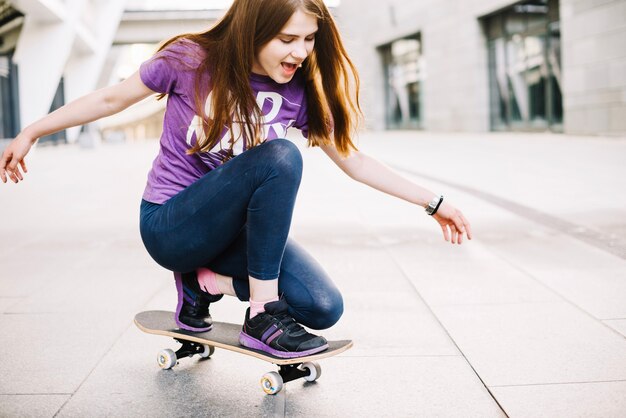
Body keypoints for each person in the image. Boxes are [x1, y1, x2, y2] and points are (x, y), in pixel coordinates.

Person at [0, 0, 472, 359]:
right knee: (281, 156)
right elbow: (110, 100)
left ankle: (203, 286)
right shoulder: (190, 60)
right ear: (255, 30)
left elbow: (355, 161)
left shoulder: (299, 93)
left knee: (322, 307)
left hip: (229, 239)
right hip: (171, 225)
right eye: (288, 39)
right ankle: (261, 315)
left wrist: (434, 203)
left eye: (309, 40)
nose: (301, 53)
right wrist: (32, 131)